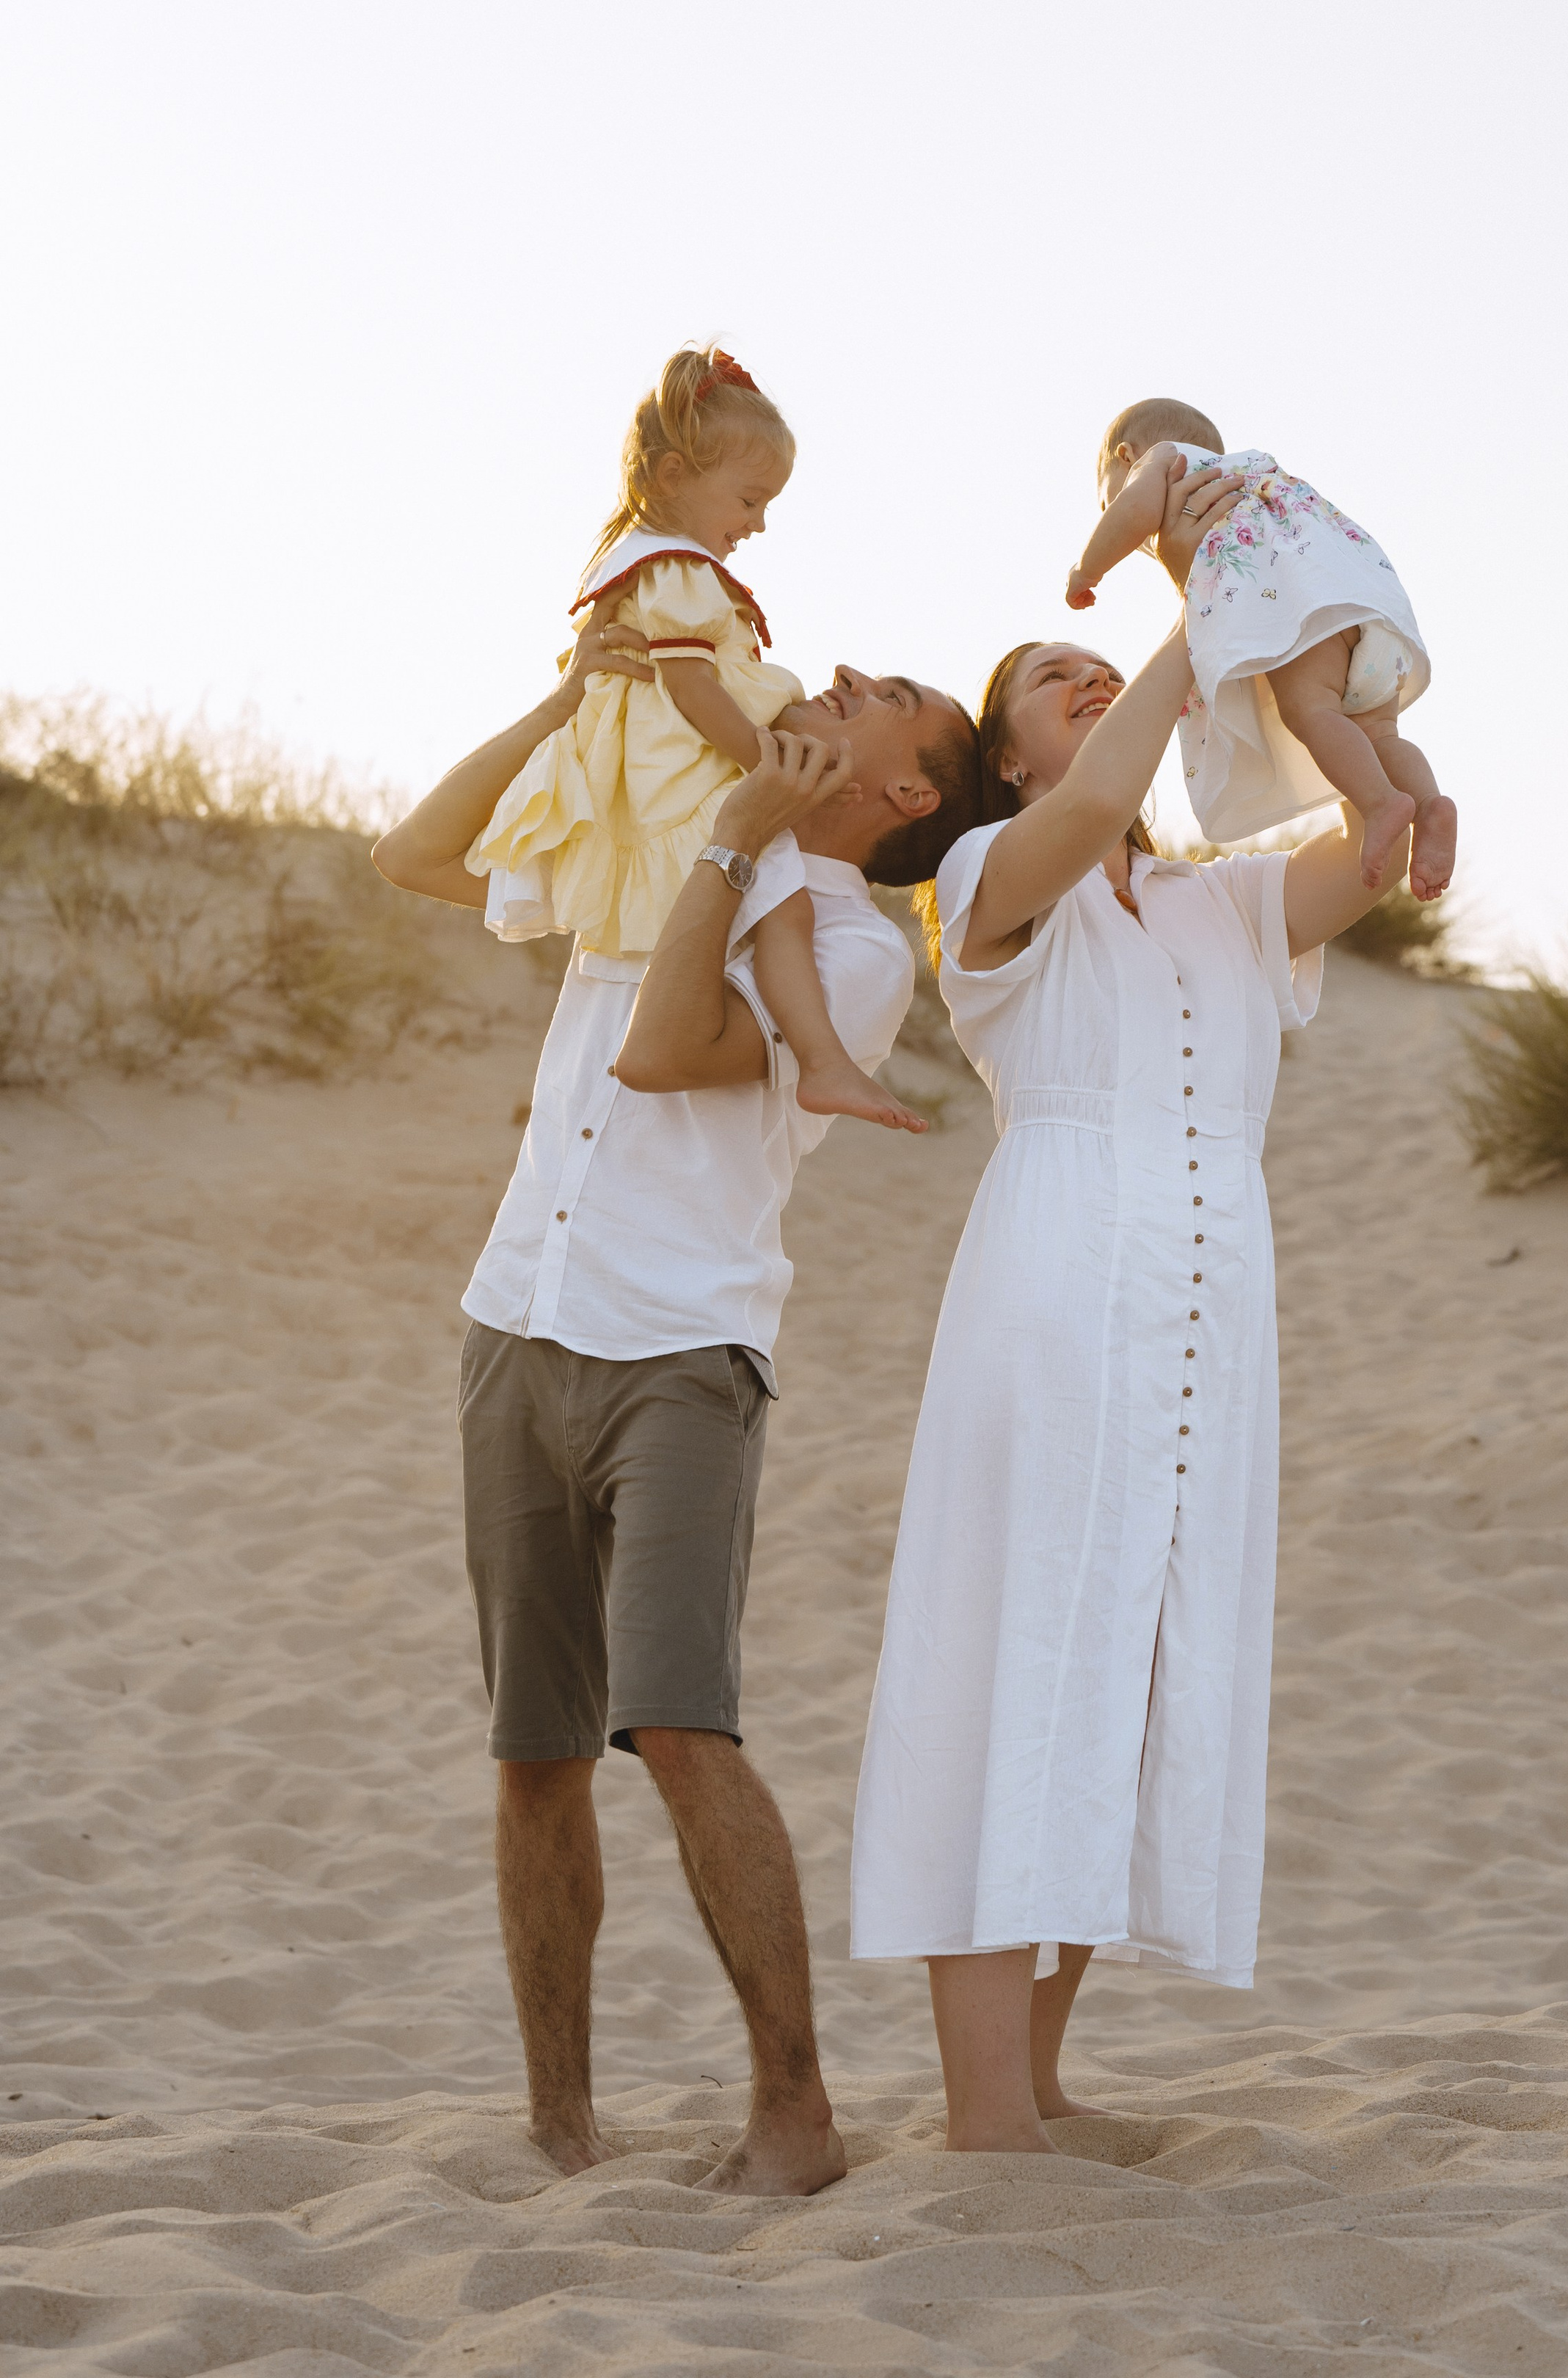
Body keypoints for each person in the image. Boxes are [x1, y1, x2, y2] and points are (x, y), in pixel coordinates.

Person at [372, 615, 980, 2191]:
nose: (841, 680)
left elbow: (658, 1053)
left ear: (908, 794)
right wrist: (573, 699)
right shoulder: (659, 841)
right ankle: (559, 2127)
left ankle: (795, 2111)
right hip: (516, 1320)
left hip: (682, 1354)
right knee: (533, 1751)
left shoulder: (849, 948)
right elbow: (416, 852)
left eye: (886, 699)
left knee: (680, 1726)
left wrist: (733, 830)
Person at [847, 457, 1407, 2153]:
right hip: (1056, 1282)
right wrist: (1184, 616)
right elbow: (1094, 808)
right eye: (1049, 681)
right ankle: (978, 2115)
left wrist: (1296, 676)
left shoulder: (1223, 900)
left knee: (1129, 1664)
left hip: (1207, 1309)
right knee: (1009, 1657)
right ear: (1004, 757)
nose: (1086, 687)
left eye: (1093, 668)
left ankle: (1038, 2083)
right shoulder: (996, 890)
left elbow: (1372, 847)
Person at [468, 341, 922, 1130]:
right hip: (685, 778)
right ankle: (822, 1063)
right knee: (784, 910)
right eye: (749, 500)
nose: (758, 523)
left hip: (653, 774)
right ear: (675, 475)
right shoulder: (678, 571)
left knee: (774, 911)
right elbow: (690, 686)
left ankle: (820, 1062)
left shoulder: (638, 561)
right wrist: (768, 762)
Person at [1067, 396, 1457, 901]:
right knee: (1379, 731)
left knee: (1310, 710)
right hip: (1371, 610)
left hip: (1308, 606)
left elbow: (1136, 508)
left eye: (1105, 501)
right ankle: (1429, 806)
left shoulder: (1162, 460)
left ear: (1127, 457)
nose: (1113, 514)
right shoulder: (1253, 473)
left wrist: (1088, 568)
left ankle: (1382, 804)